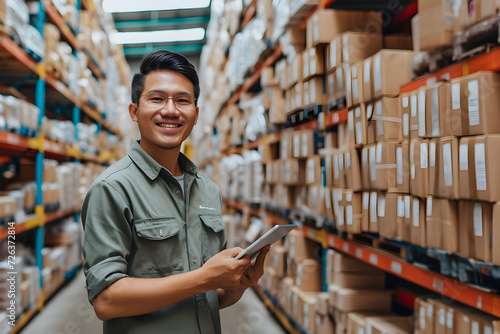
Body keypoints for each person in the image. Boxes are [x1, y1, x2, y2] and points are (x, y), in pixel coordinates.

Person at [81, 50, 269, 334]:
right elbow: (106, 300)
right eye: (157, 99)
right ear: (134, 111)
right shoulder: (112, 189)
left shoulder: (207, 190)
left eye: (183, 101)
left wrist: (232, 290)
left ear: (195, 115)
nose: (170, 110)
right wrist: (205, 278)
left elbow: (199, 299)